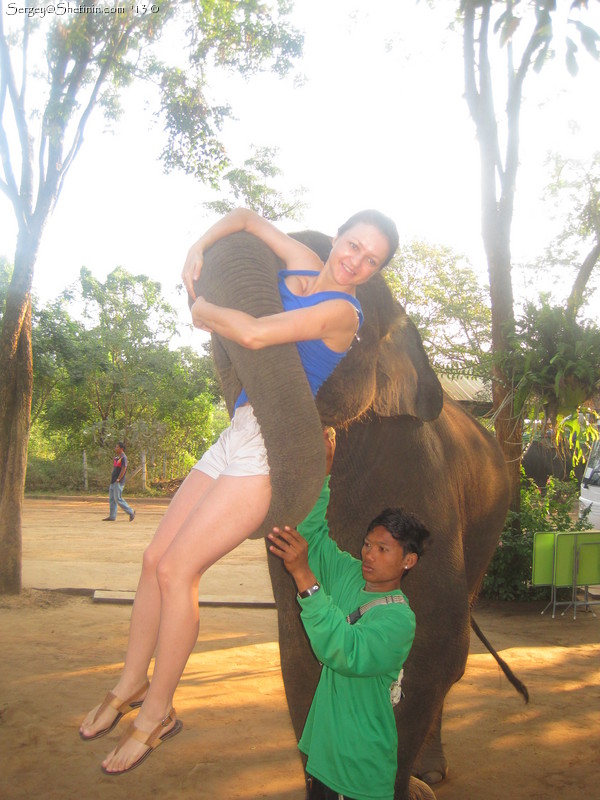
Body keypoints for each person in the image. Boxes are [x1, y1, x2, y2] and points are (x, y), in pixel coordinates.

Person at [79, 207, 399, 775]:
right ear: (338, 236)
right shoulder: (302, 260)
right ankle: (131, 681)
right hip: (238, 432)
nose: (354, 261)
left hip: (271, 448)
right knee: (154, 558)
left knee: (180, 571)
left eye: (369, 260)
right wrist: (195, 251)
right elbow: (247, 219)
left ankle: (157, 715)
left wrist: (201, 309)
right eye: (352, 245)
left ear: (373, 272)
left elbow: (252, 332)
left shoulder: (341, 312)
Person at [268, 429, 429, 800]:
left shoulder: (399, 621)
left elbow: (342, 650)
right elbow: (313, 533)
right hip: (325, 759)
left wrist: (304, 577)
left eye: (384, 549)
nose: (370, 554)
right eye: (368, 544)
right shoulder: (350, 574)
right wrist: (323, 470)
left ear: (409, 560)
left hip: (360, 770)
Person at [102, 442, 135, 523]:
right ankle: (112, 516)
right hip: (113, 481)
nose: (115, 448)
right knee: (112, 499)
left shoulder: (124, 458)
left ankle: (131, 512)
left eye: (117, 447)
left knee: (118, 499)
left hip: (118, 482)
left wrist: (118, 479)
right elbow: (115, 469)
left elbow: (124, 469)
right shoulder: (117, 458)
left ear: (121, 449)